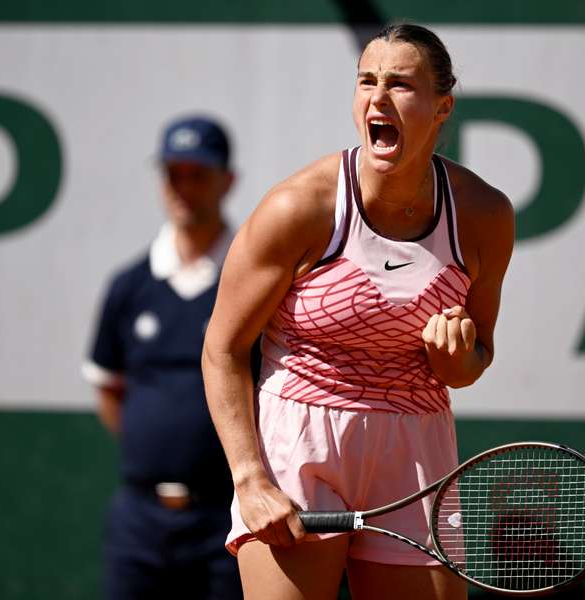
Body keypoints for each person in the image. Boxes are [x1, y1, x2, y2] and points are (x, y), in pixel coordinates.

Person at [202, 23, 515, 600]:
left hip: (416, 448)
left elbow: (478, 356)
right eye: (366, 81)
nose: (377, 97)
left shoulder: (485, 215)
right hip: (297, 440)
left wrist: (455, 363)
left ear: (442, 107)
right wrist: (249, 479)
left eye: (400, 84)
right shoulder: (298, 207)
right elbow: (222, 348)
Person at [83, 115, 245, 599]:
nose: (183, 188)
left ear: (228, 181)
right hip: (139, 521)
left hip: (230, 518)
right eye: (173, 174)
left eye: (198, 174)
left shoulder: (253, 282)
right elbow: (110, 389)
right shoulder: (128, 285)